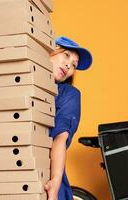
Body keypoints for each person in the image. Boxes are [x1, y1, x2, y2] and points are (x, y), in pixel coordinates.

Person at [44, 36, 93, 200]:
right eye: (66, 55)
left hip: (48, 179)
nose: (68, 65)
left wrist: (55, 182)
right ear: (50, 50)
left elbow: (60, 138)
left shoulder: (69, 94)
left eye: (74, 65)